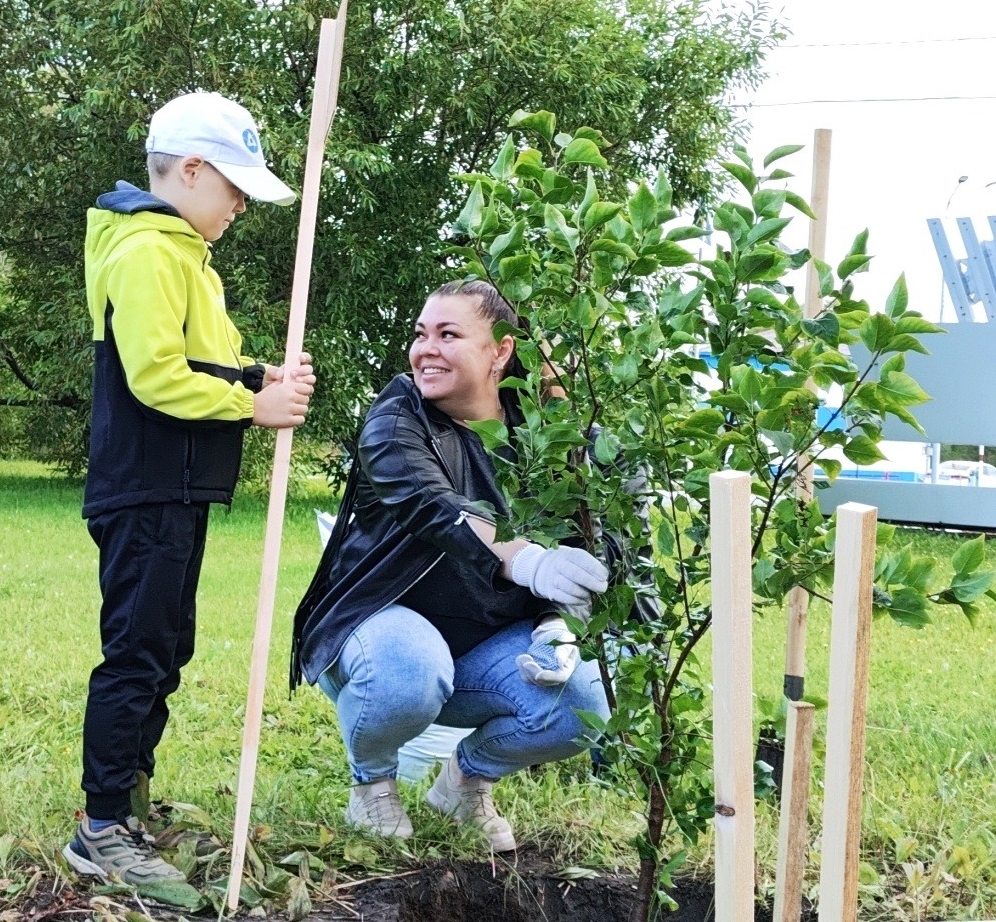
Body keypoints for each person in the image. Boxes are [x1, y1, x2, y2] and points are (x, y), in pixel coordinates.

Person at [64, 92, 316, 886]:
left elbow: (204, 359)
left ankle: (130, 802)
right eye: (236, 187)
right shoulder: (147, 250)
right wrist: (251, 406)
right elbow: (154, 377)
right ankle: (101, 826)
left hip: (178, 489)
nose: (241, 204)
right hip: (146, 486)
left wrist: (258, 376)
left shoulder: (184, 255)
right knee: (136, 653)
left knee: (168, 648)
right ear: (194, 170)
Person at [291, 280, 612, 853]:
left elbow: (587, 535)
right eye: (421, 334)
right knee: (410, 668)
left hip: (482, 649)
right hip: (377, 633)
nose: (426, 350)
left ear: (501, 351)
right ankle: (372, 785)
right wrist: (527, 561)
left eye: (448, 334)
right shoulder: (397, 418)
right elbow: (436, 508)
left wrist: (558, 622)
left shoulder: (544, 433)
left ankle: (464, 783)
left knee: (585, 703)